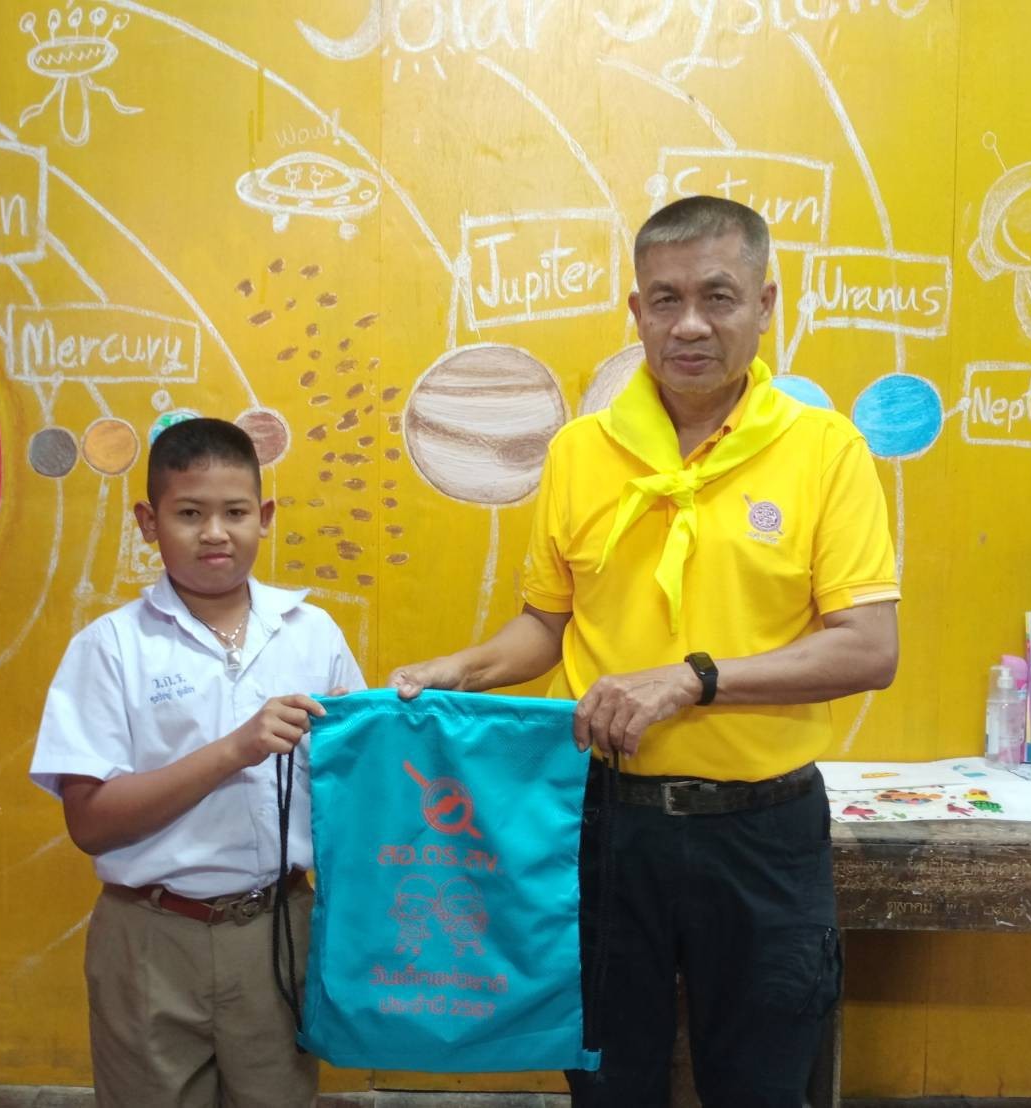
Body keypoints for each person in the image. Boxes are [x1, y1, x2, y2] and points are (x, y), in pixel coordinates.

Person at [390, 196, 900, 1106]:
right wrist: (456, 671)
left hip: (763, 831)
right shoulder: (579, 453)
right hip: (602, 824)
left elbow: (867, 650)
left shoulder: (825, 451)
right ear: (636, 312)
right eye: (665, 300)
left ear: (765, 304)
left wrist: (693, 681)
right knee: (607, 1082)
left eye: (718, 296)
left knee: (760, 1088)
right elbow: (545, 626)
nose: (689, 324)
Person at [30, 417, 365, 1107]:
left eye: (235, 512)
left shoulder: (312, 634)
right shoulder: (110, 647)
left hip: (279, 926)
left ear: (264, 517)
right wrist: (233, 751)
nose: (215, 533)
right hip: (150, 938)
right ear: (148, 522)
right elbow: (90, 824)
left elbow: (356, 785)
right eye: (189, 514)